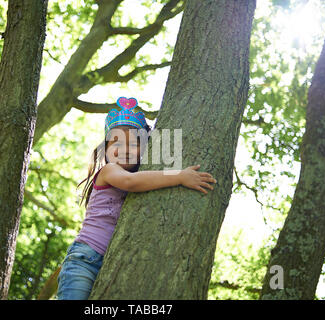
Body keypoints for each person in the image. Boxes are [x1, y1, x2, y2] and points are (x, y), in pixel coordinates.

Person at [56, 97, 217, 300]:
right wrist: (179, 176)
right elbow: (131, 182)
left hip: (111, 262)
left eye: (133, 143)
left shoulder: (141, 176)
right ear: (105, 149)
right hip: (84, 259)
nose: (124, 148)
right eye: (116, 142)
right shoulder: (109, 170)